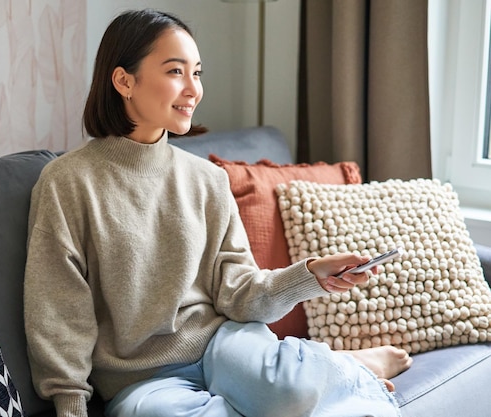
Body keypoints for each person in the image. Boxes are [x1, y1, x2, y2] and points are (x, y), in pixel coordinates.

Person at [24, 8, 412, 417]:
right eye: (176, 71)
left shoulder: (207, 180)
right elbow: (58, 313)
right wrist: (70, 406)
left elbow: (240, 293)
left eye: (198, 73)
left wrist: (309, 274)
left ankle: (327, 373)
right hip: (141, 380)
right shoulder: (66, 182)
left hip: (223, 342)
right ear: (124, 81)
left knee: (289, 392)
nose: (193, 89)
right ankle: (336, 371)